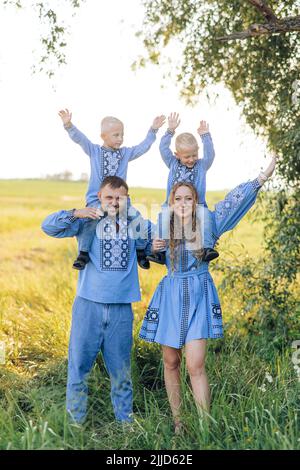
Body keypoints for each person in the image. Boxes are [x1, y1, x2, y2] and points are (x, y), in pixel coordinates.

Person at [139, 156, 277, 434]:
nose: (182, 203)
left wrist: (261, 177)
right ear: (171, 201)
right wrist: (150, 247)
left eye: (188, 199)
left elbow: (233, 202)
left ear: (195, 201)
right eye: (177, 198)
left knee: (195, 363)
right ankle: (178, 423)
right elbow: (145, 252)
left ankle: (205, 426)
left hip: (200, 294)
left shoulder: (209, 222)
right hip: (171, 295)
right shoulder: (162, 225)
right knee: (170, 361)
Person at [41, 176, 153, 425]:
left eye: (119, 198)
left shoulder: (135, 224)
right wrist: (76, 212)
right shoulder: (88, 222)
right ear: (100, 198)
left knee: (121, 373)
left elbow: (159, 239)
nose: (114, 202)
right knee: (79, 367)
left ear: (127, 199)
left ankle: (126, 424)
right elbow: (48, 226)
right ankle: (75, 424)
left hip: (121, 309)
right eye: (109, 197)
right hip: (88, 305)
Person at [58, 109, 165, 270]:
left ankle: (141, 251)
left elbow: (143, 147)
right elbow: (80, 139)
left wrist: (153, 130)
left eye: (122, 135)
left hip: (121, 201)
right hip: (97, 201)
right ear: (103, 136)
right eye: (116, 135)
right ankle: (83, 253)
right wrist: (68, 125)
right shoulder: (94, 151)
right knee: (90, 221)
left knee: (138, 220)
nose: (120, 138)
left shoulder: (125, 153)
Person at [148, 112, 218, 266]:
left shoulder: (201, 166)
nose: (192, 159)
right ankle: (159, 251)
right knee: (162, 219)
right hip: (173, 206)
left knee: (206, 217)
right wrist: (170, 131)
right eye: (187, 157)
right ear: (177, 155)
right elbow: (162, 148)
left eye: (194, 154)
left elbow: (210, 154)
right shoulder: (173, 164)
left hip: (196, 207)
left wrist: (206, 136)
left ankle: (206, 248)